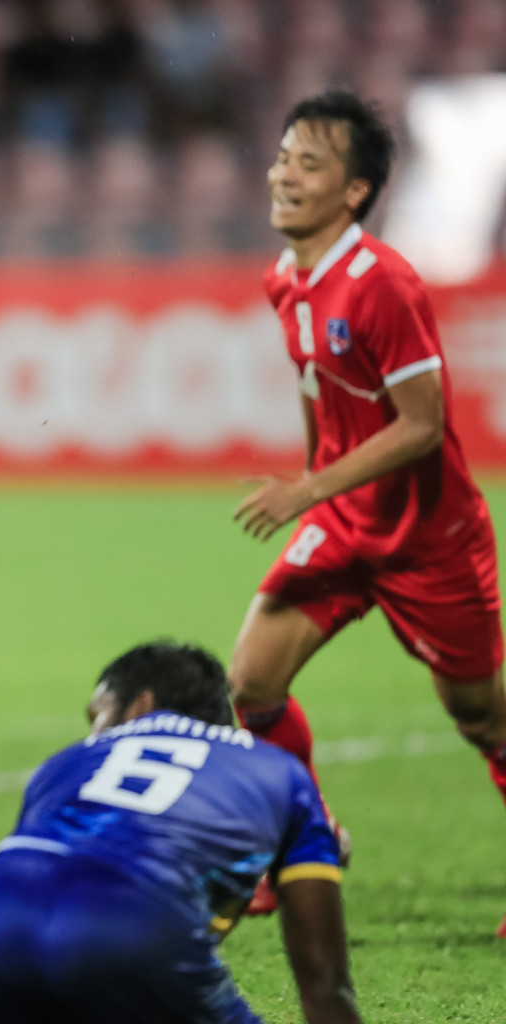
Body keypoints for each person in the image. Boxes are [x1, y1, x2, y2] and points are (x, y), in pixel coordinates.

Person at [229, 90, 506, 929]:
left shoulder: (383, 283)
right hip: (347, 519)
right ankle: (306, 843)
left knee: (480, 714)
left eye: (308, 163)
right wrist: (320, 484)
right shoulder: (287, 277)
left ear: (354, 191)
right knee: (250, 684)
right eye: (283, 156)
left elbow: (424, 428)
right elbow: (319, 387)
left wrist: (308, 488)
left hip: (431, 536)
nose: (284, 173)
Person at [0, 641, 362, 1024]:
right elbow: (325, 986)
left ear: (141, 706)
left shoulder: (66, 763)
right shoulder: (276, 770)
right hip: (137, 919)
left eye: (97, 715)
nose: (92, 732)